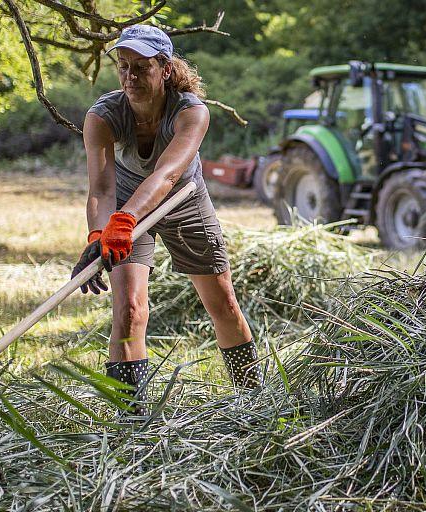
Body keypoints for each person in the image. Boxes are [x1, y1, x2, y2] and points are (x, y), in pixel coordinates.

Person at [71, 25, 259, 407]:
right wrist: (99, 235)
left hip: (183, 199)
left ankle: (254, 399)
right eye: (123, 66)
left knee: (222, 303)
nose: (130, 76)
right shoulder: (103, 116)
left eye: (141, 67)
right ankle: (131, 420)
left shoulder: (191, 112)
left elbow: (167, 174)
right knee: (128, 309)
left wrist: (123, 223)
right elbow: (102, 189)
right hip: (124, 201)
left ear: (166, 69)